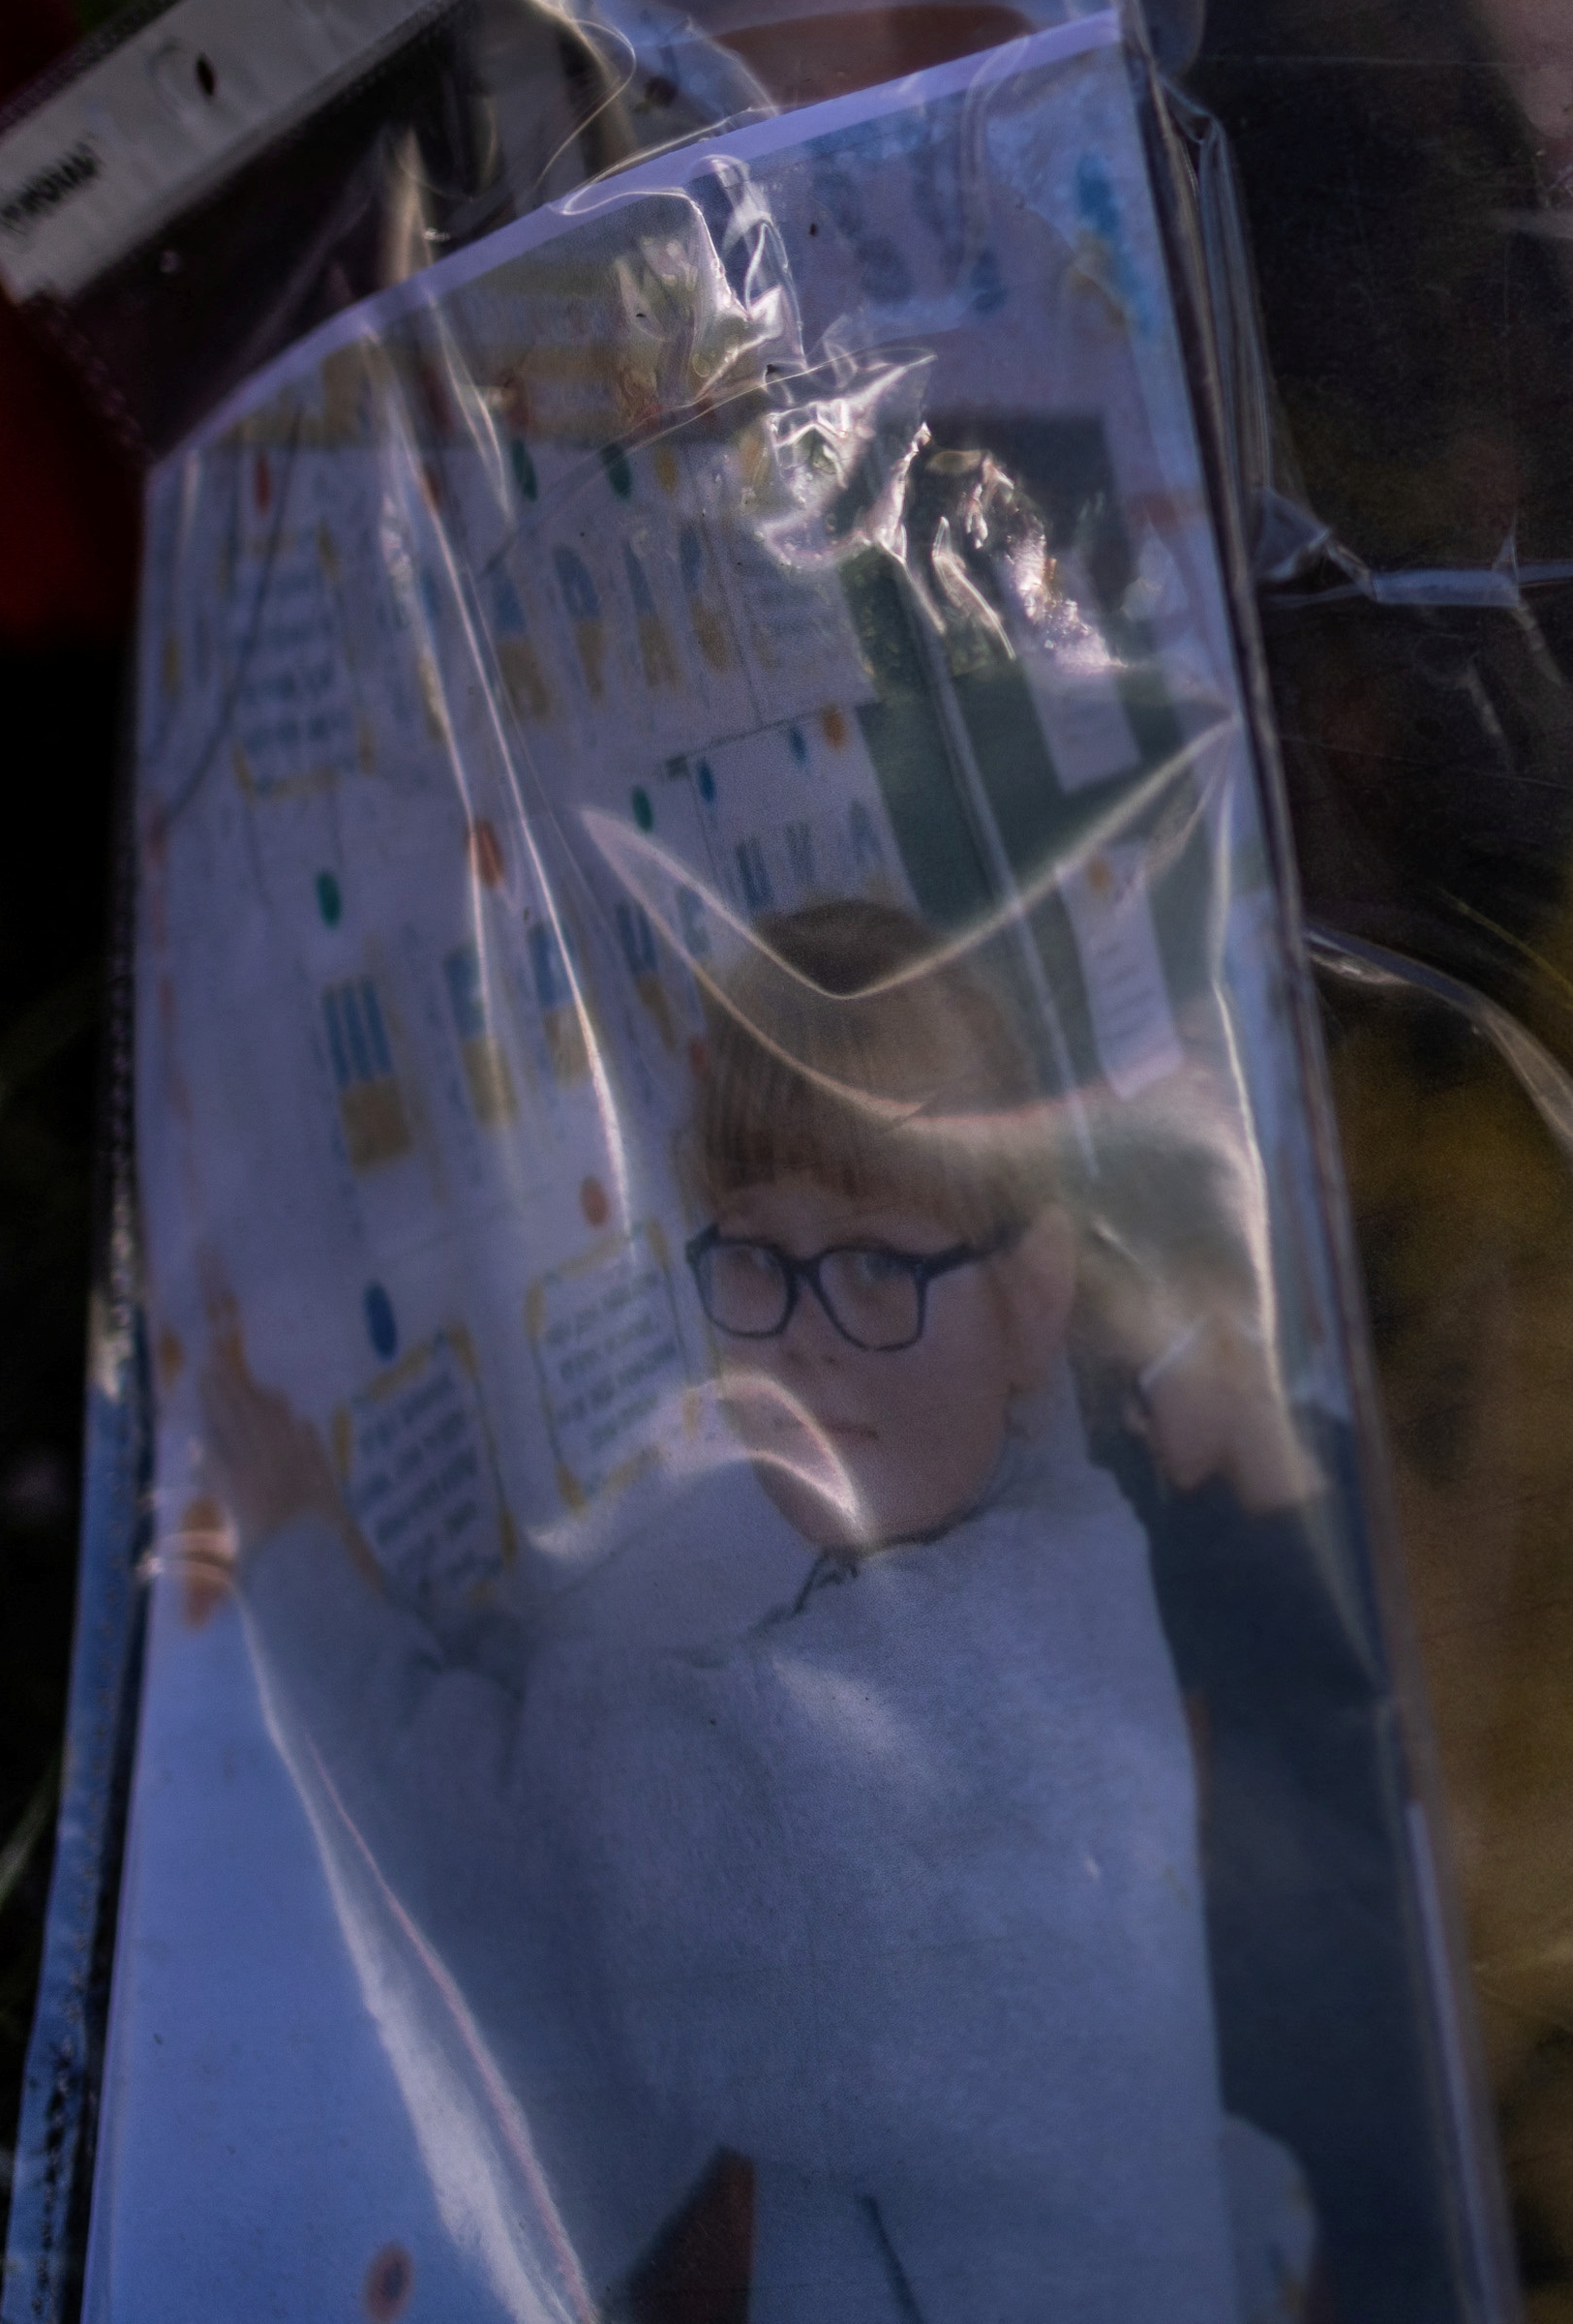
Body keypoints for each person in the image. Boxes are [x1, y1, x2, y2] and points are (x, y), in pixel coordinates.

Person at [198, 897, 1263, 2322]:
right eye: (755, 1254)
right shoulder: (1065, 1553)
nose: (806, 1332)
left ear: (1031, 1296)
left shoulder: (873, 1763)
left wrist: (294, 1552)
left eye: (878, 1262)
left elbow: (519, 1844)